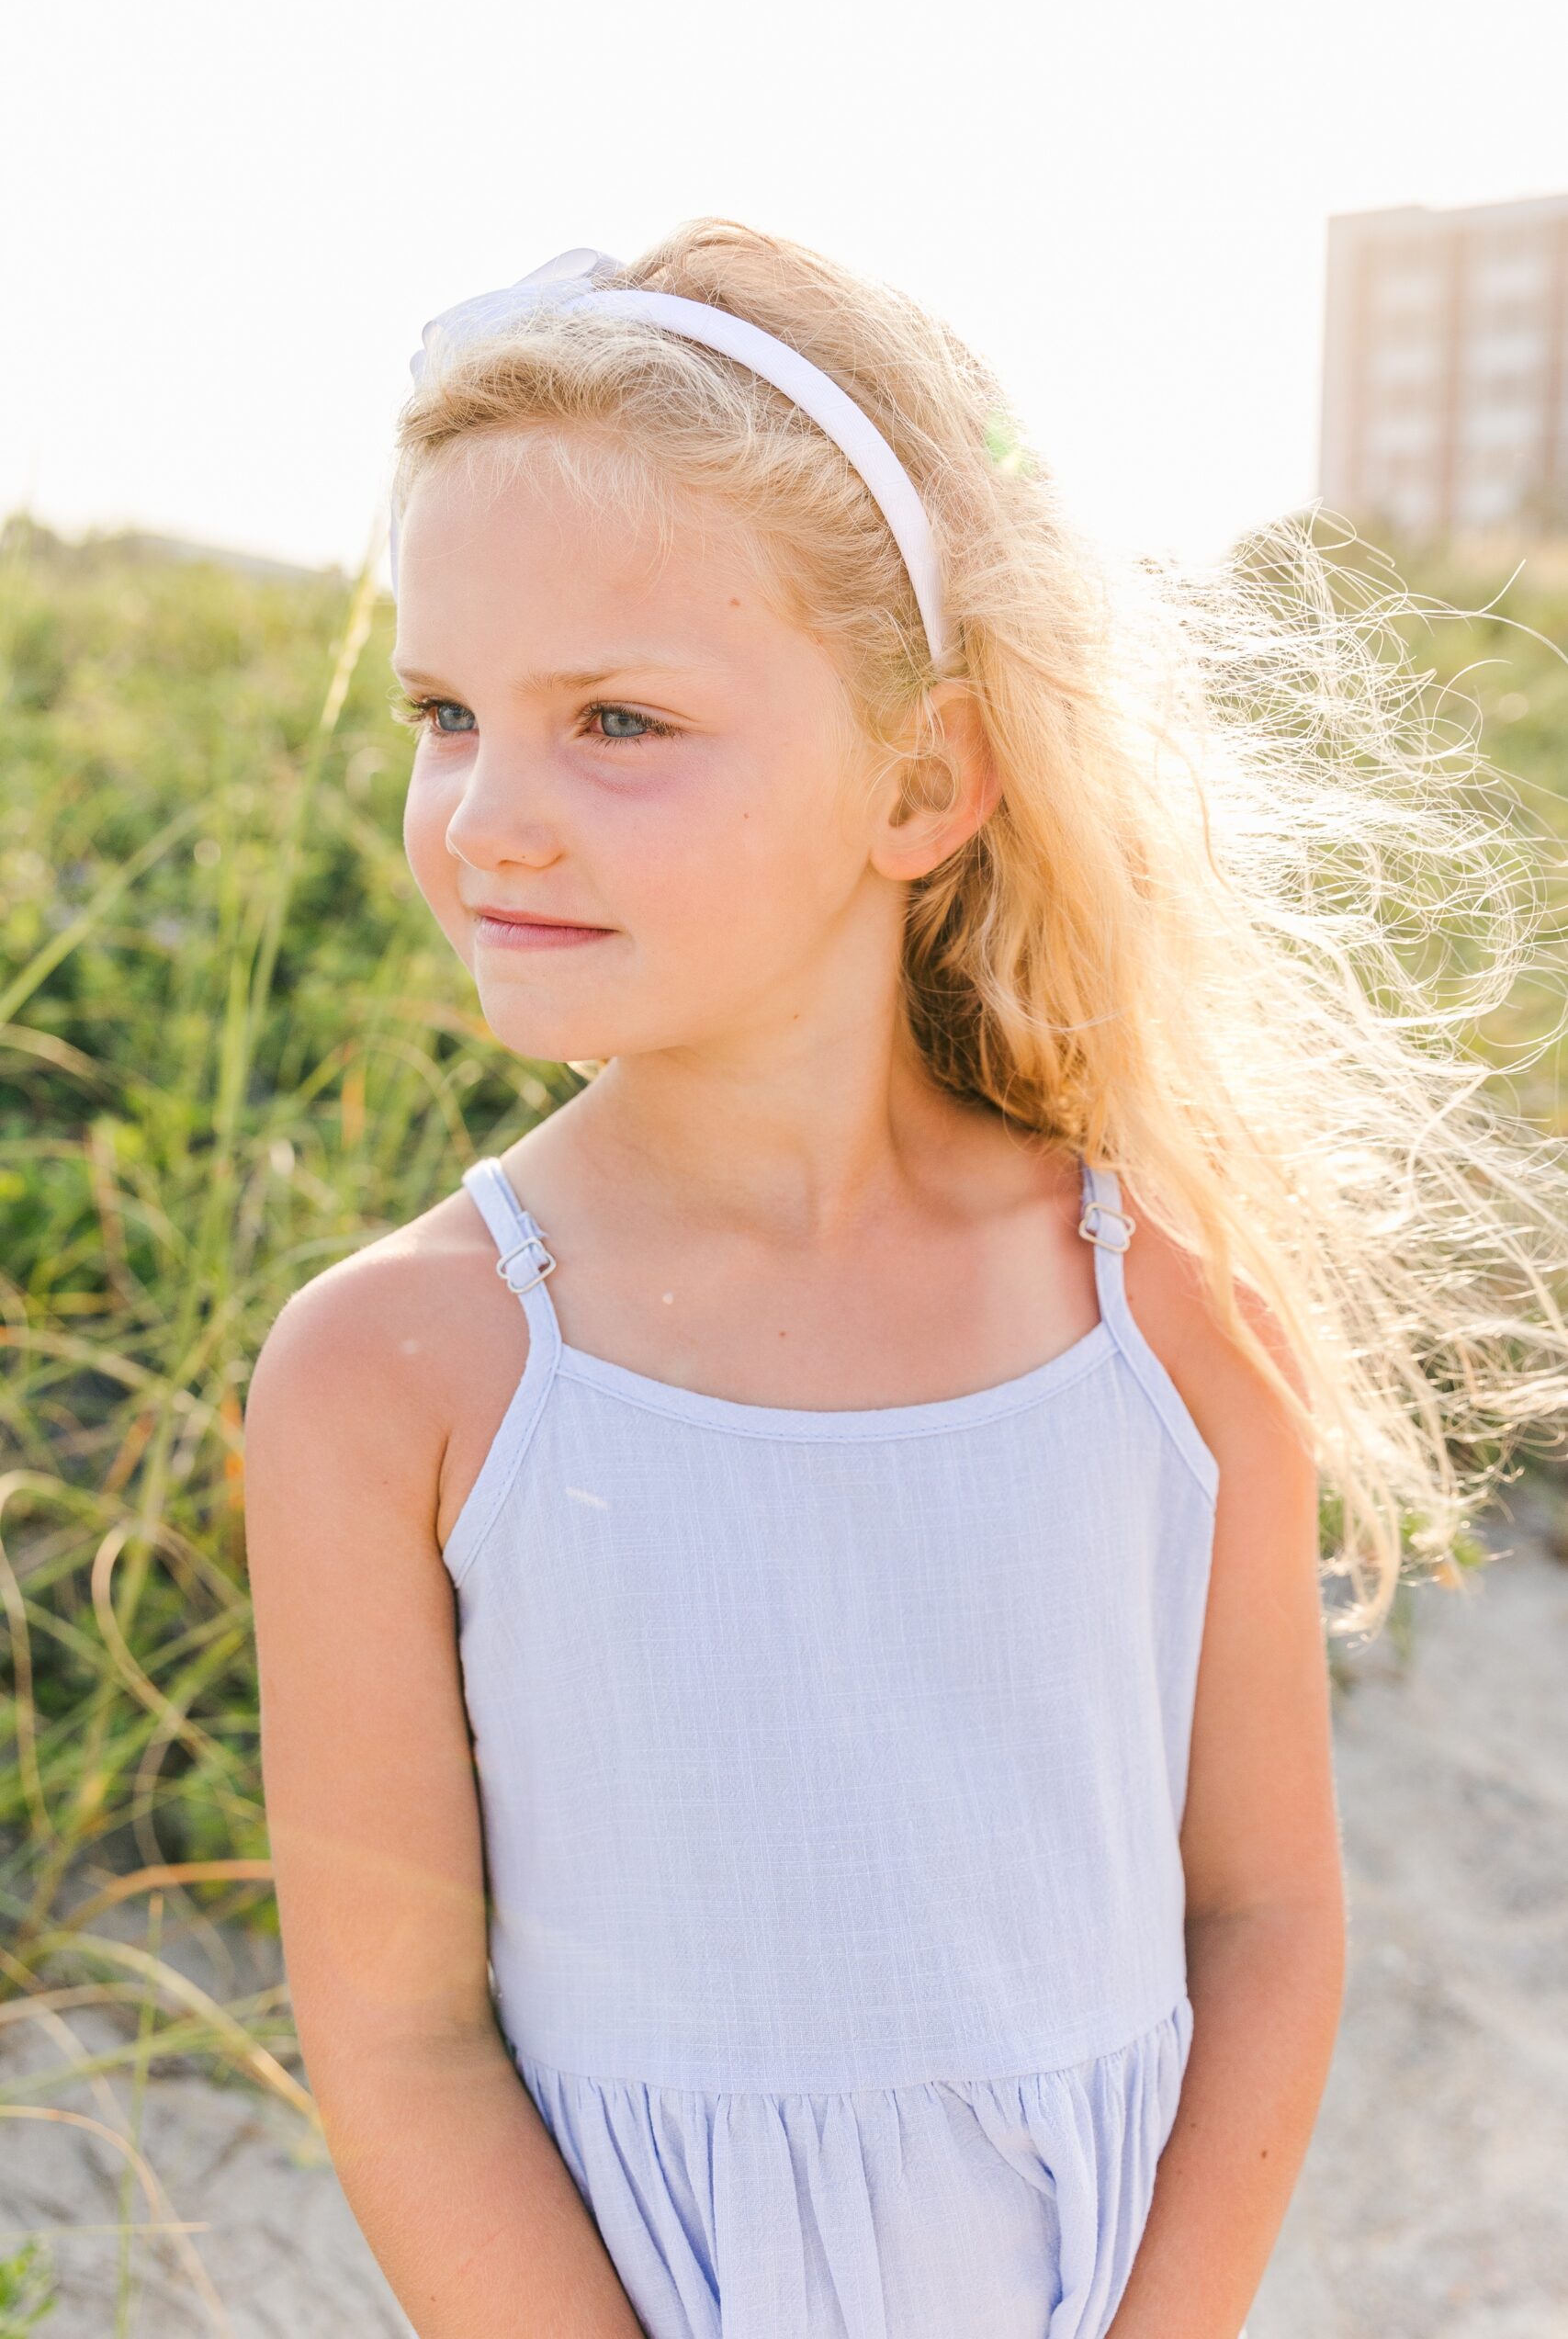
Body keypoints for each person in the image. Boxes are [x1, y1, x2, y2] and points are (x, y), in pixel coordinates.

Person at [243, 220, 1568, 2339]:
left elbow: (1261, 1911)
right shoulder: (395, 1369)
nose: (488, 812)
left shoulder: (1160, 1317)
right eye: (442, 711)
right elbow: (402, 2040)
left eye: (614, 717)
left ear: (924, 779)